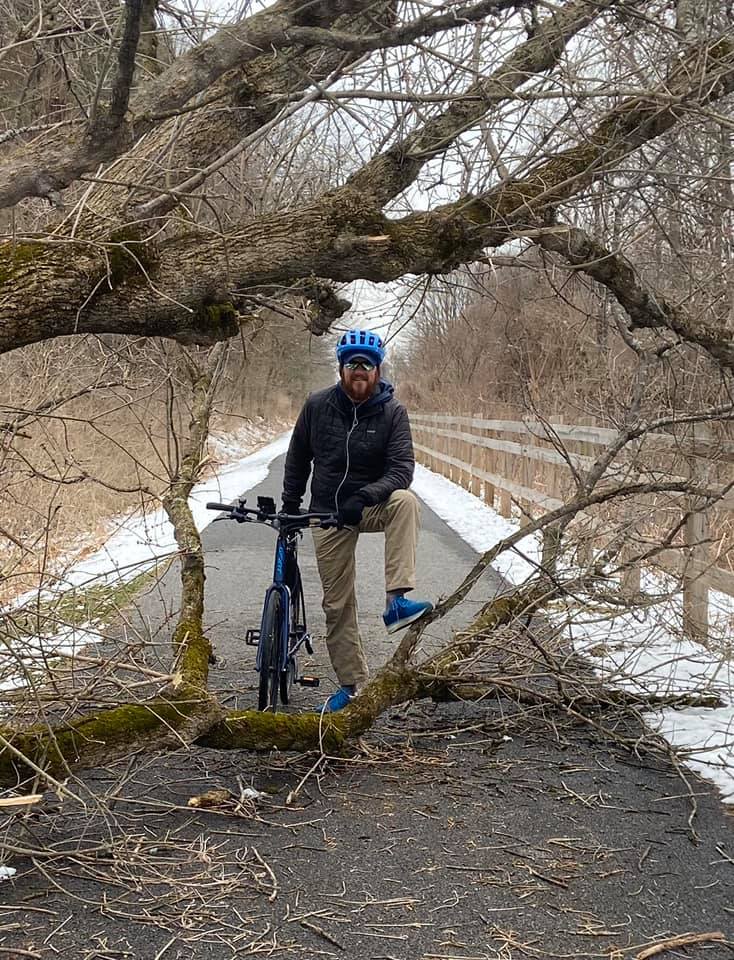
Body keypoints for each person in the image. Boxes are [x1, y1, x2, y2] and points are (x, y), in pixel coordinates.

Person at [281, 328, 433, 712]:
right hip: (327, 512)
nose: (360, 370)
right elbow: (298, 459)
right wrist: (289, 507)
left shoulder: (393, 412)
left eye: (367, 364)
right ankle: (351, 686)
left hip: (369, 504)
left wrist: (363, 496)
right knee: (337, 603)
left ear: (378, 370)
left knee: (406, 501)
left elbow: (402, 470)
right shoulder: (317, 406)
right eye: (353, 364)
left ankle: (397, 600)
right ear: (341, 369)